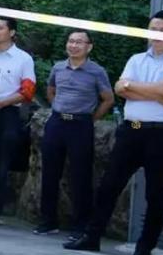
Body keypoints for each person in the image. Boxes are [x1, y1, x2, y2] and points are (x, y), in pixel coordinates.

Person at [66, 11, 163, 255]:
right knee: (109, 185)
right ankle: (92, 237)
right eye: (152, 29)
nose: (156, 34)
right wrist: (158, 96)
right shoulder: (137, 59)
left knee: (155, 192)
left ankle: (145, 247)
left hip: (161, 133)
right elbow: (119, 88)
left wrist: (135, 87)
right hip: (131, 129)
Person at [35, 31, 114, 237]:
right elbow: (51, 90)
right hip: (56, 122)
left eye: (79, 42)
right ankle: (47, 221)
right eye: (71, 41)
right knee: (49, 172)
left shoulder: (96, 71)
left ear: (89, 47)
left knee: (81, 176)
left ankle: (80, 225)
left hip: (81, 125)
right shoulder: (58, 67)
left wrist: (91, 119)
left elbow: (108, 99)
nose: (74, 45)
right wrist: (58, 107)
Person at [0, 17, 36, 226]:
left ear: (12, 32)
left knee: (1, 163)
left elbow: (28, 92)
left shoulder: (23, 59)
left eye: (0, 28)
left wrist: (2, 103)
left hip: (8, 113)